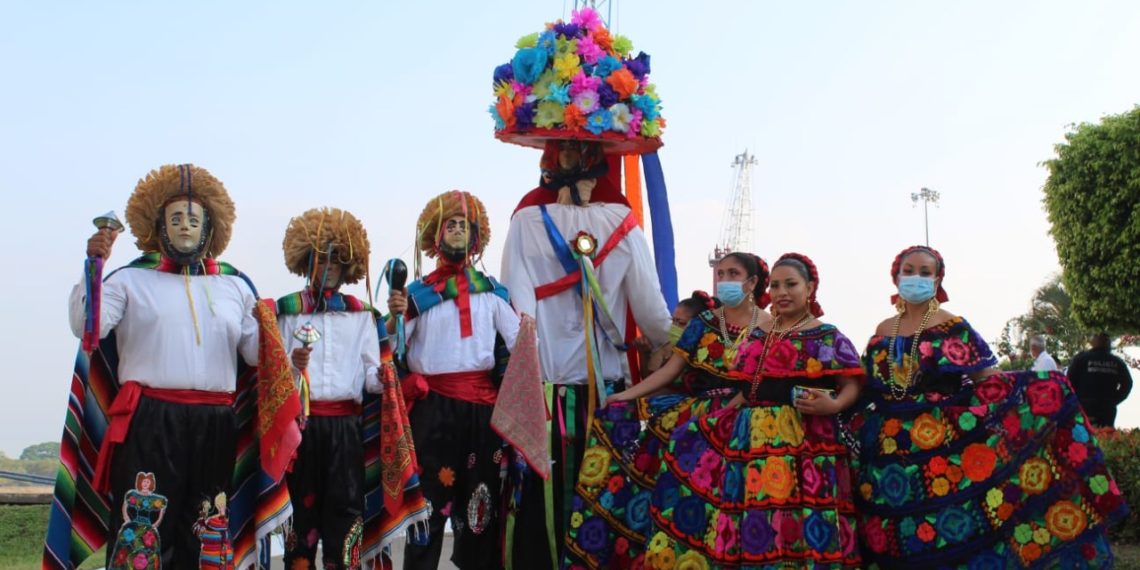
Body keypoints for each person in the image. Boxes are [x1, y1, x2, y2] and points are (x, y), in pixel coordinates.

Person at [48, 164, 301, 568]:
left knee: (204, 528)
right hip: (150, 421)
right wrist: (93, 266)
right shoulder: (129, 281)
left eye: (195, 220)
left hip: (216, 424)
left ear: (209, 229)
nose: (186, 227)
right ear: (159, 226)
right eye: (176, 218)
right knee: (144, 532)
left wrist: (274, 333)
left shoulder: (235, 287)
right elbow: (86, 327)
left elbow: (256, 356)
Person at [854, 245, 1128, 568]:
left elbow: (987, 379)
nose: (916, 277)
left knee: (947, 524)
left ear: (938, 279)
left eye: (925, 272)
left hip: (942, 445)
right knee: (897, 532)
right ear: (896, 277)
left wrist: (1041, 388)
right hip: (889, 450)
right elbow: (868, 384)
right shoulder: (883, 330)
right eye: (909, 270)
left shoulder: (952, 325)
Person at [501, 140, 673, 570]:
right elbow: (653, 315)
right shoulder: (623, 220)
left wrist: (530, 369)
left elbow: (518, 313)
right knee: (607, 499)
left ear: (549, 159)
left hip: (548, 391)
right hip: (610, 393)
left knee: (545, 502)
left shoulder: (525, 219)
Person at [563, 252, 774, 568]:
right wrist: (625, 396)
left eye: (734, 273)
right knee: (669, 484)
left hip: (749, 419)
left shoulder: (773, 326)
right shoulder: (703, 323)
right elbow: (670, 370)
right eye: (722, 273)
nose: (726, 280)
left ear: (753, 282)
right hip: (700, 414)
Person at [388, 190, 520, 570]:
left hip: (481, 414)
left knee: (481, 509)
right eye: (452, 225)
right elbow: (393, 350)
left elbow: (523, 345)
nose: (458, 230)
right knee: (427, 510)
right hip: (433, 414)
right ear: (437, 237)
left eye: (465, 225)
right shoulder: (416, 295)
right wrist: (395, 316)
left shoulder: (492, 293)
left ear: (475, 238)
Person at [276, 207, 397, 569]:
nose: (327, 268)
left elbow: (371, 377)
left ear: (348, 267)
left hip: (346, 430)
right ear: (306, 262)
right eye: (320, 260)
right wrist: (291, 367)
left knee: (346, 512)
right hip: (301, 430)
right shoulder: (287, 313)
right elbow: (274, 377)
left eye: (336, 261)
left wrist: (388, 378)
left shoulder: (363, 316)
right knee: (301, 512)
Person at [636, 291, 719, 376]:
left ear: (698, 325)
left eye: (681, 323)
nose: (674, 327)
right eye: (673, 321)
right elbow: (648, 380)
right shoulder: (668, 348)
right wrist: (644, 354)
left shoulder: (710, 354)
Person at [1068, 332, 1134, 428]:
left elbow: (1069, 382)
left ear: (1093, 342)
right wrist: (1113, 400)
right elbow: (1127, 384)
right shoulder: (1116, 362)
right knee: (1105, 437)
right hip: (1106, 408)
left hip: (1085, 407)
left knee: (1084, 436)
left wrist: (1077, 400)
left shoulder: (1081, 359)